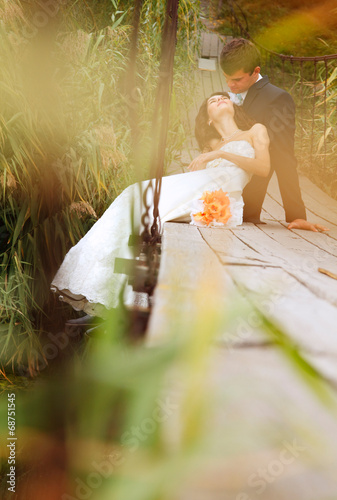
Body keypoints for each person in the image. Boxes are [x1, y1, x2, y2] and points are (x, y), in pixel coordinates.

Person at [51, 92, 270, 316]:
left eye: (223, 97)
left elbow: (263, 168)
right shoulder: (212, 144)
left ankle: (119, 300)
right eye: (212, 101)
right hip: (201, 190)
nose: (219, 100)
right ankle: (103, 285)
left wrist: (221, 153)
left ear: (234, 105)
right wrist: (212, 153)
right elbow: (199, 172)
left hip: (222, 198)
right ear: (208, 119)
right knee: (136, 198)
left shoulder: (255, 131)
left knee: (143, 201)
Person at [219, 37, 329, 232]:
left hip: (243, 200)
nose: (230, 85)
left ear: (256, 72)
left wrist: (296, 215)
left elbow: (284, 155)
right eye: (226, 77)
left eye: (236, 79)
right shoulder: (222, 97)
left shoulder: (278, 99)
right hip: (216, 178)